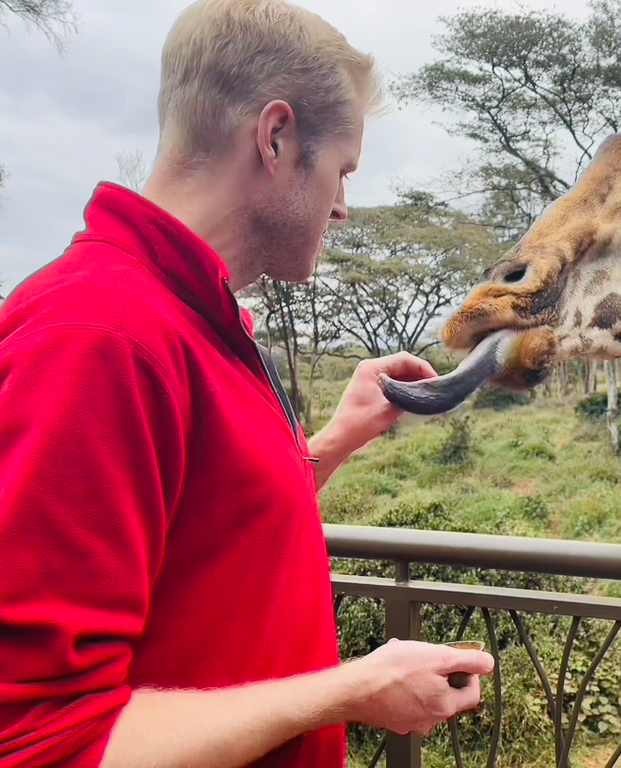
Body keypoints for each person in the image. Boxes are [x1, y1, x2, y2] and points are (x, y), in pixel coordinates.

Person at [0, 1, 494, 766]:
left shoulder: (192, 317)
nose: (343, 206)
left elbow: (215, 532)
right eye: (343, 170)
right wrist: (350, 691)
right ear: (275, 137)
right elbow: (47, 744)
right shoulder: (101, 337)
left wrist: (335, 439)